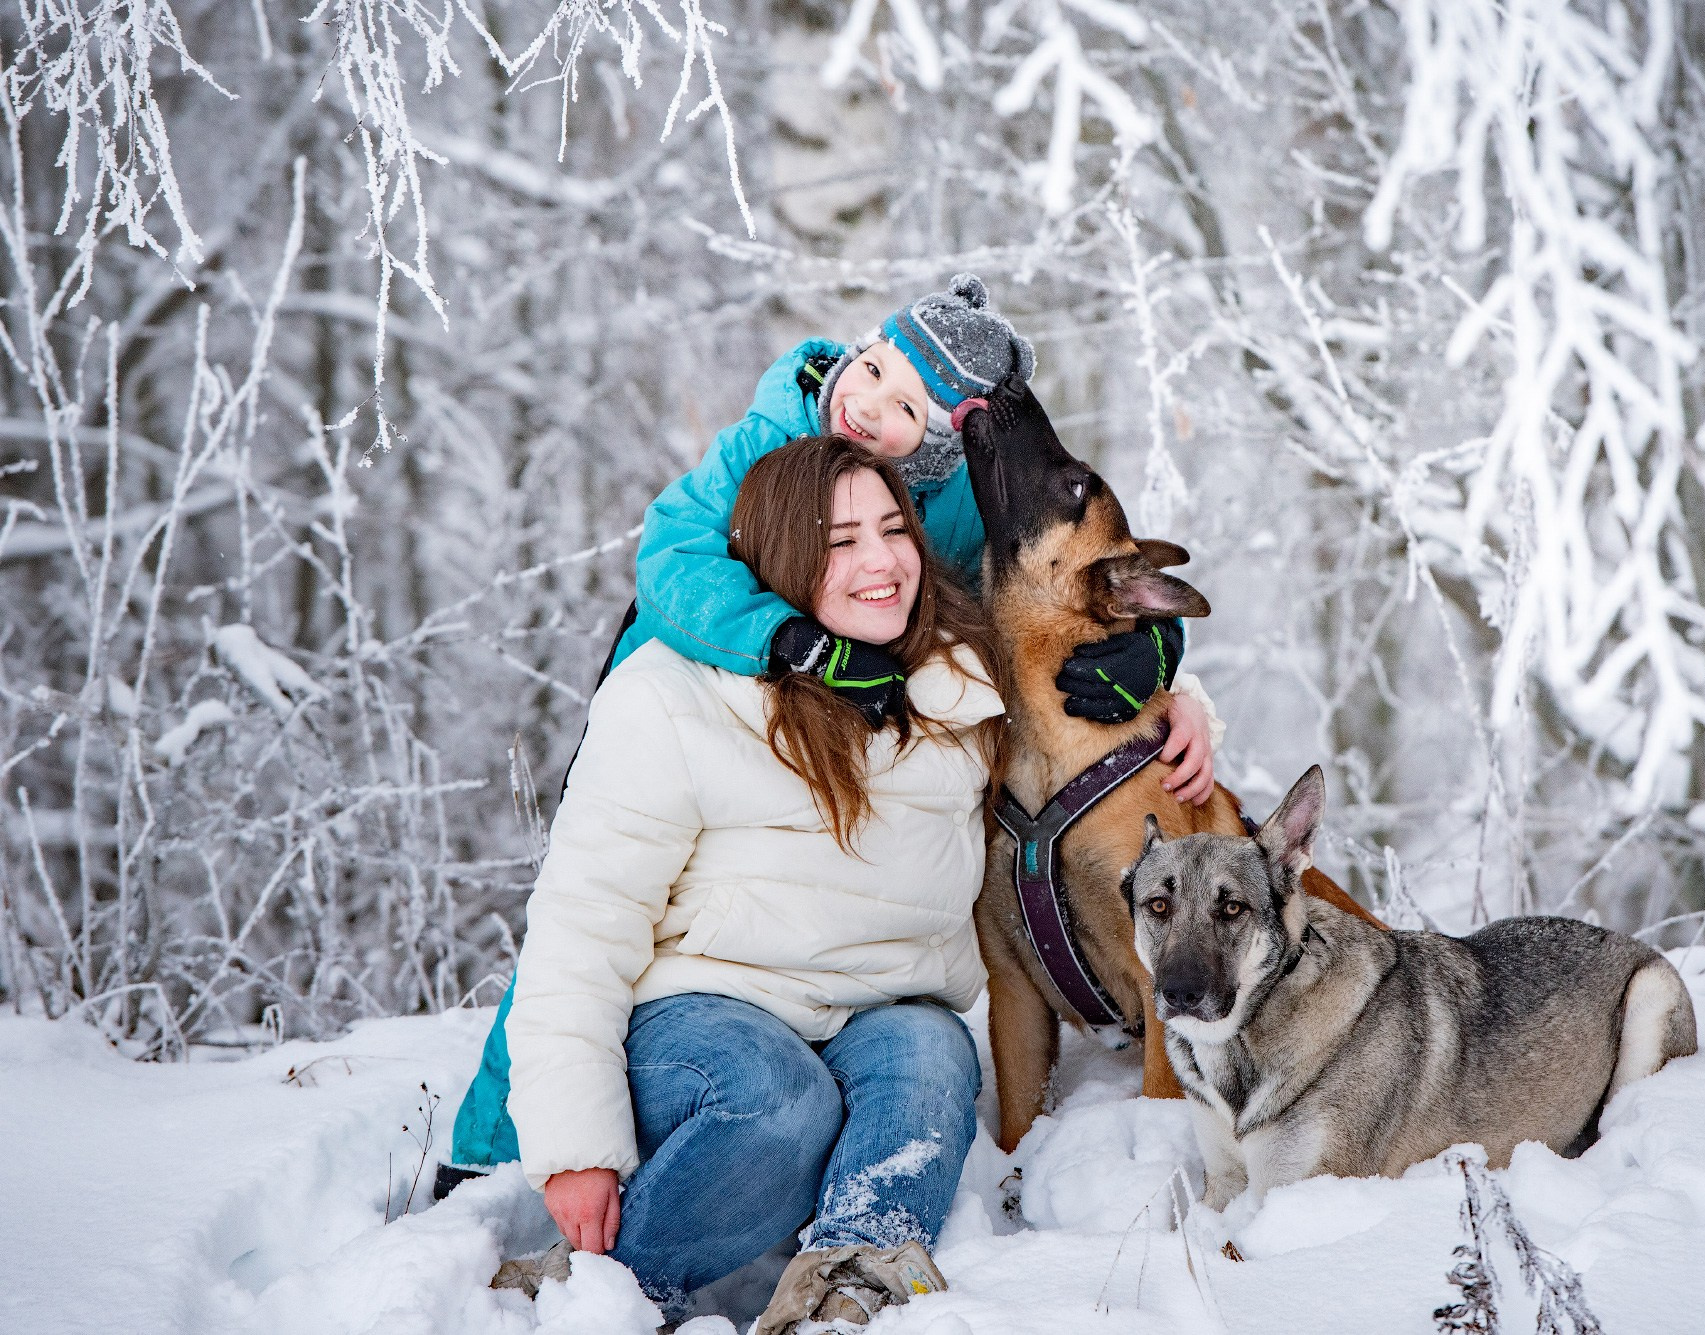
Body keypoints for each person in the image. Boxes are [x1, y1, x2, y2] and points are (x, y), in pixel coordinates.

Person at [447, 274, 1223, 1179]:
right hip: (691, 677)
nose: (870, 409)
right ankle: (488, 1156)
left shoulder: (954, 503)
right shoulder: (769, 438)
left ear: (941, 438)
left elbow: (1058, 581)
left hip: (840, 731)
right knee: (595, 910)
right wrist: (789, 640)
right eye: (876, 371)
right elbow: (673, 556)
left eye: (908, 410)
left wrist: (1162, 661)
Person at [504, 437, 1002, 1330]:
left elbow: (1087, 640)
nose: (883, 561)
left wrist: (1179, 688)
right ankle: (601, 1292)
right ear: (778, 557)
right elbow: (581, 927)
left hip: (881, 1009)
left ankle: (851, 1288)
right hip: (697, 1019)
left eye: (895, 529)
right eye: (840, 541)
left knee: (933, 1060)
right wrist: (573, 1147)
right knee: (781, 1102)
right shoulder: (671, 695)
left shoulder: (959, 682)